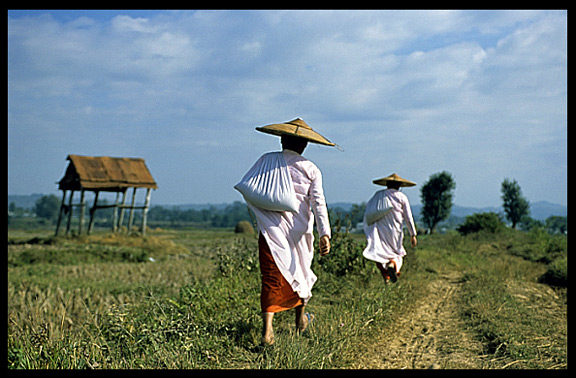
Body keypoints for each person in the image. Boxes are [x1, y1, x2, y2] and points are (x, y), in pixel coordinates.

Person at [240, 118, 335, 346]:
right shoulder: (311, 169)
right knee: (301, 272)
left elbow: (250, 186)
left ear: (282, 140)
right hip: (300, 231)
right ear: (304, 145)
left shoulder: (267, 161)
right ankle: (300, 320)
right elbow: (318, 204)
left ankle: (267, 331)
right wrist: (325, 233)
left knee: (271, 277)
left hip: (272, 229)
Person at [362, 173, 417, 284]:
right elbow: (408, 217)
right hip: (395, 231)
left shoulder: (379, 195)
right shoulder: (402, 197)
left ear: (387, 185)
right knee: (396, 253)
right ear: (399, 186)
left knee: (379, 252)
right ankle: (392, 265)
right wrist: (413, 234)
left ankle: (386, 277)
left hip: (381, 230)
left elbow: (370, 211)